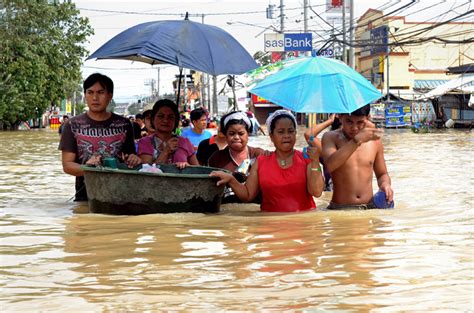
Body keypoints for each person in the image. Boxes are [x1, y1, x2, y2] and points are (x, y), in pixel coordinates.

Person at [210, 110, 324, 212]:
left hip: (304, 227)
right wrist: (230, 179)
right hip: (269, 227)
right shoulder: (261, 161)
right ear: (271, 136)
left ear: (295, 134)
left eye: (290, 131)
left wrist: (315, 161)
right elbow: (248, 194)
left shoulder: (307, 158)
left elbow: (317, 192)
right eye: (280, 132)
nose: (286, 136)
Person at [59, 73, 141, 201]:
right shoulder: (73, 124)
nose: (95, 98)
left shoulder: (124, 124)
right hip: (86, 196)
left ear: (110, 95)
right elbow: (67, 165)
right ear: (85, 95)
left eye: (100, 92)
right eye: (90, 92)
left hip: (120, 195)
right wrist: (88, 168)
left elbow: (130, 156)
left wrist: (134, 159)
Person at [321, 104, 394, 210]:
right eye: (349, 121)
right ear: (340, 117)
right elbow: (330, 165)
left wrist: (385, 185)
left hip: (369, 208)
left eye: (360, 122)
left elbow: (382, 174)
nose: (354, 128)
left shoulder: (375, 141)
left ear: (368, 118)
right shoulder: (331, 137)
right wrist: (356, 141)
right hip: (340, 209)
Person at [208, 111, 266, 203]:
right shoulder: (216, 158)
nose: (236, 137)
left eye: (241, 133)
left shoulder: (260, 155)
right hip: (227, 210)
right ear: (225, 136)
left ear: (248, 134)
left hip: (256, 209)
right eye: (231, 133)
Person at [137, 99, 198, 169]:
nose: (165, 120)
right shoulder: (145, 142)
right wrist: (166, 151)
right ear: (153, 119)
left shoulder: (185, 142)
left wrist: (188, 167)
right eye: (161, 116)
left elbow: (198, 170)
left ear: (176, 120)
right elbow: (148, 172)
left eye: (170, 117)